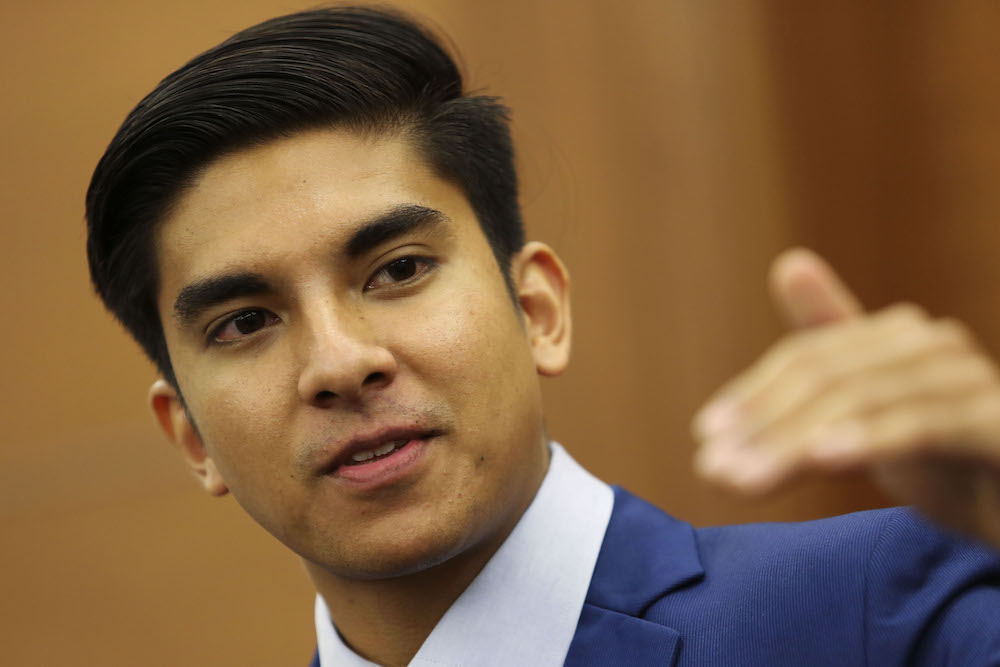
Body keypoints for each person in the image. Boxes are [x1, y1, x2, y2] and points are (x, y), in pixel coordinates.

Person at [85, 6, 1000, 666]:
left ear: (539, 311)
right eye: (245, 322)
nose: (339, 361)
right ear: (191, 436)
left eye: (397, 270)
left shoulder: (886, 610)